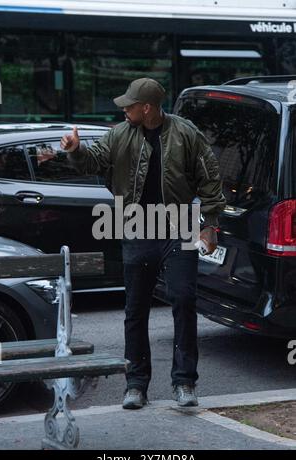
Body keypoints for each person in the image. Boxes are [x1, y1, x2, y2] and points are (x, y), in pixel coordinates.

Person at [61, 77, 226, 409]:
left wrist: (210, 225)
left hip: (179, 225)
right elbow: (94, 161)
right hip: (136, 225)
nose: (124, 109)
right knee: (135, 309)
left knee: (183, 300)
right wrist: (76, 151)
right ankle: (136, 384)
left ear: (147, 107)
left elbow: (209, 178)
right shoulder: (120, 134)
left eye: (129, 104)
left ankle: (184, 382)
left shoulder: (185, 133)